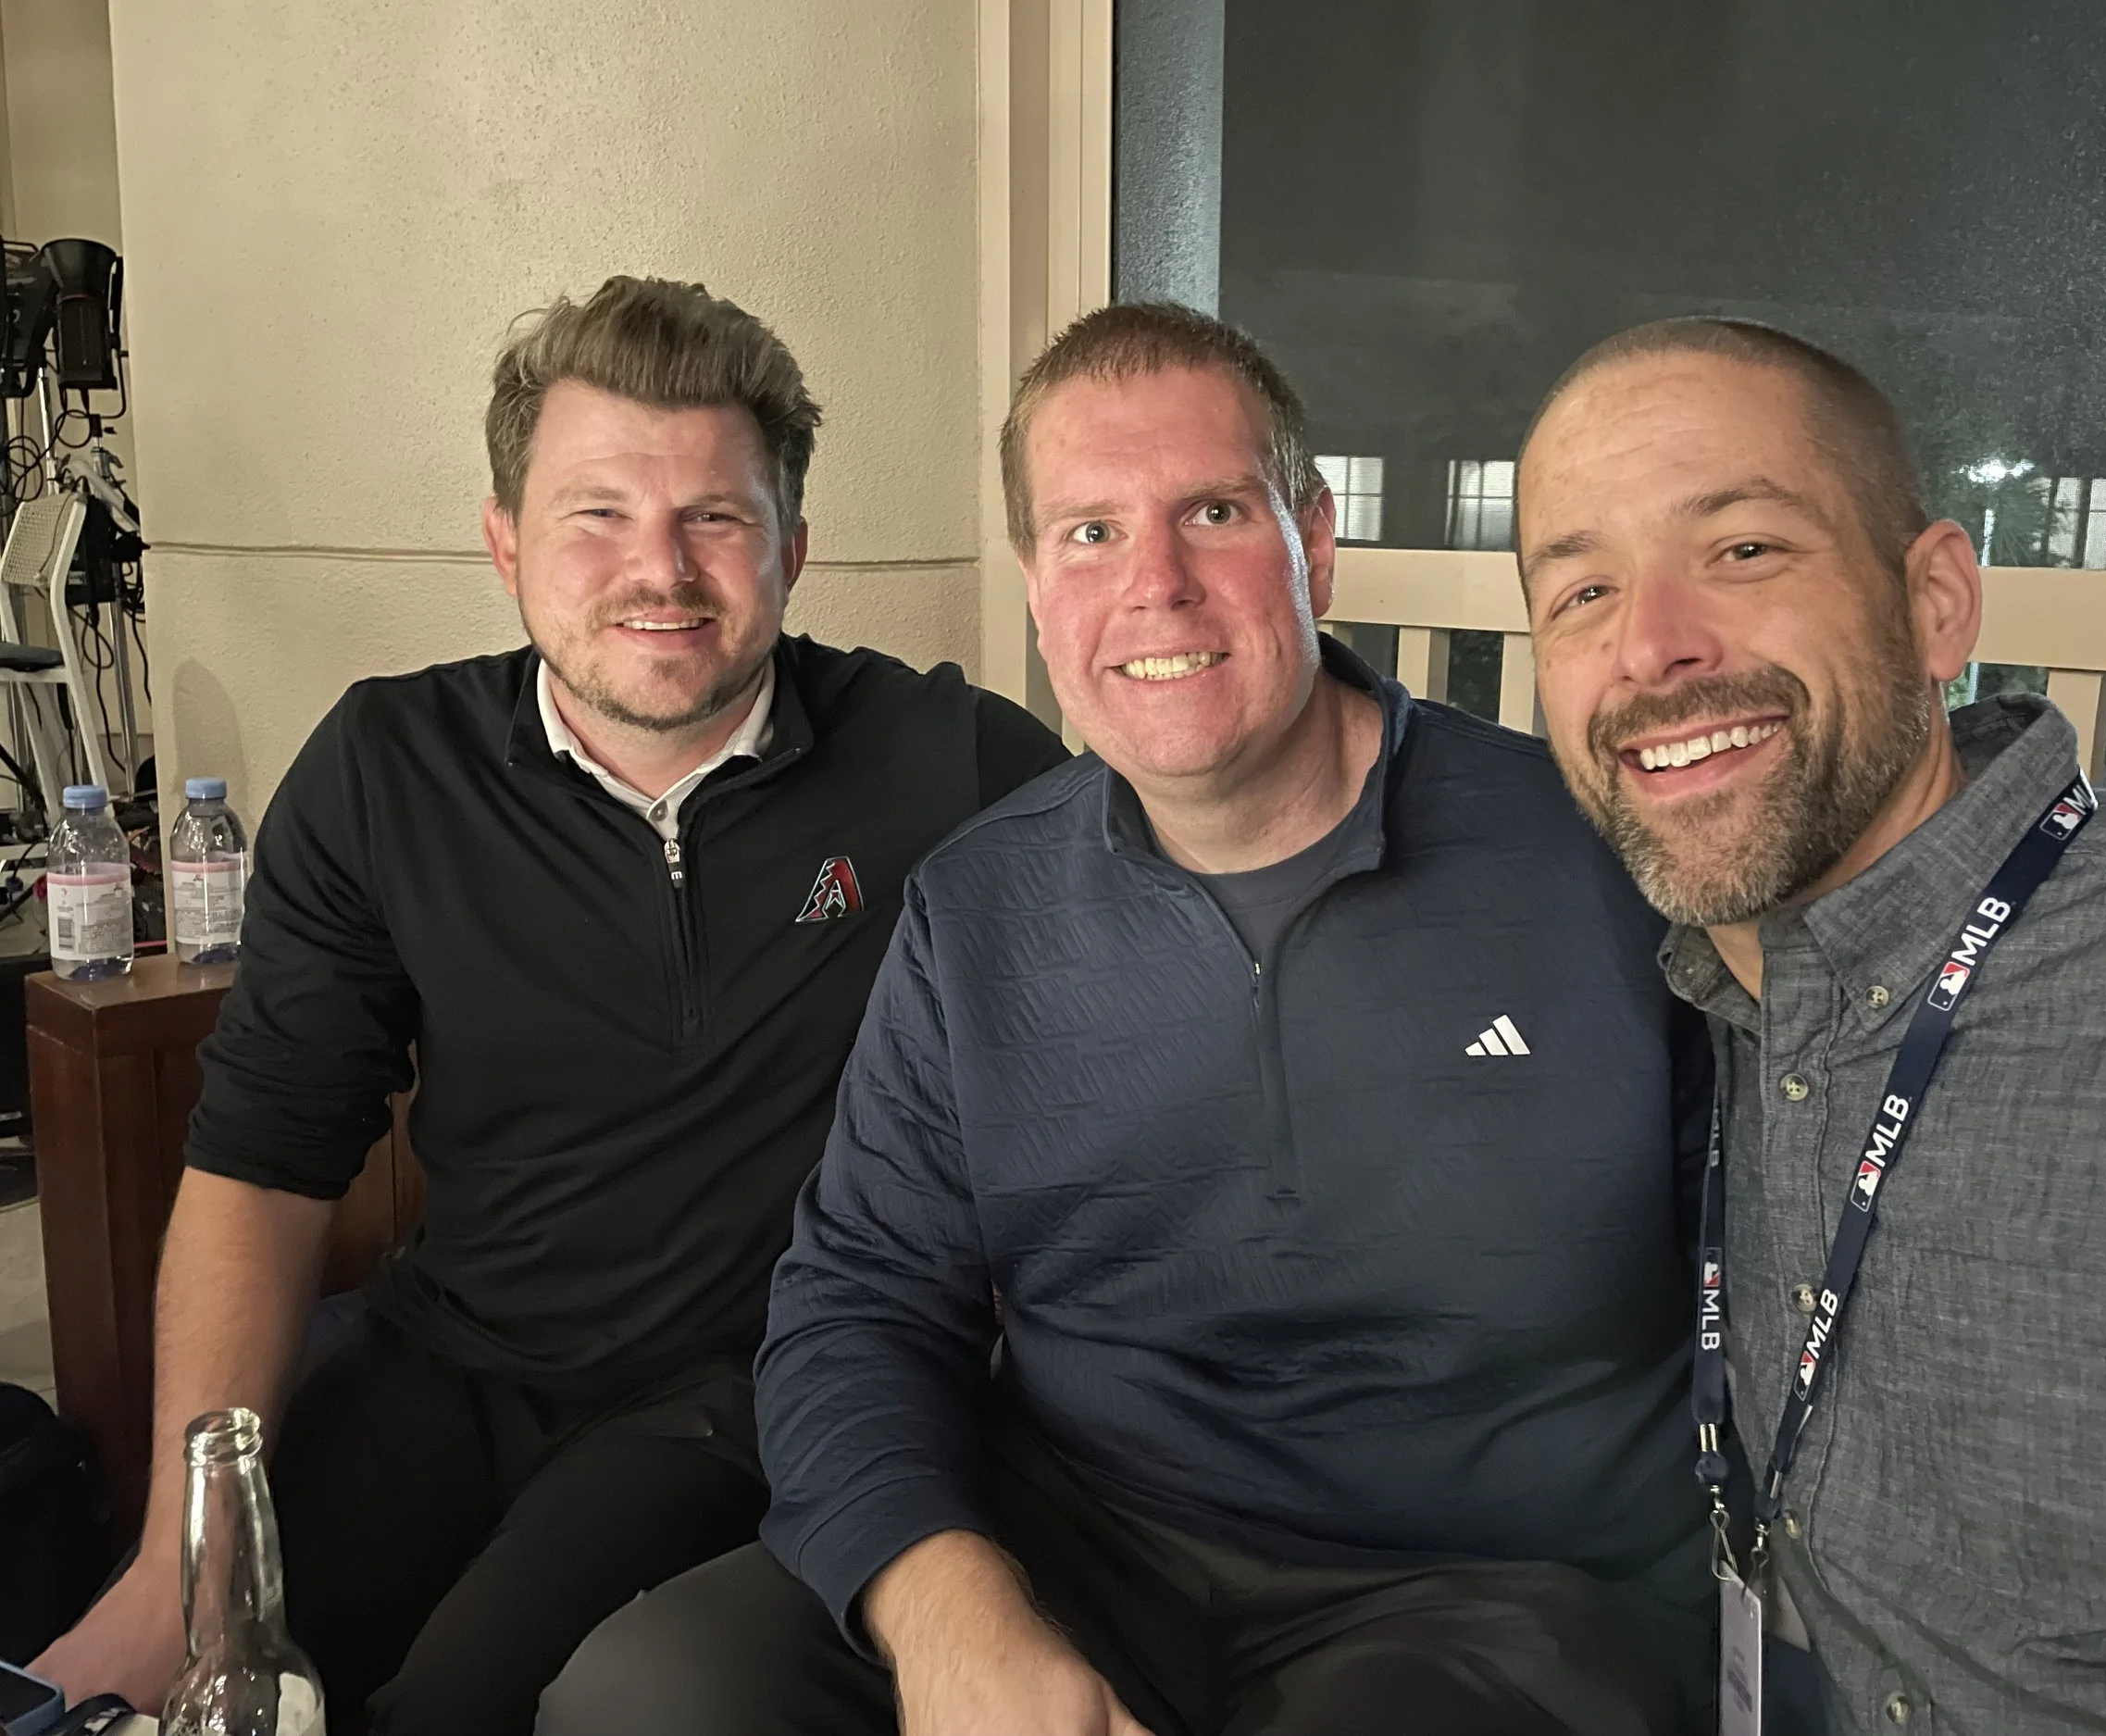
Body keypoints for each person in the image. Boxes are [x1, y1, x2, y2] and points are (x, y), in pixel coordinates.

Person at [540, 302, 1715, 1736]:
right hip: (1084, 1543)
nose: (1154, 583)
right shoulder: (979, 908)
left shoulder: (1606, 858)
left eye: (1211, 511)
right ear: (1038, 586)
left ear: (1315, 541)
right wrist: (947, 1609)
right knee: (646, 1696)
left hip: (1494, 1589)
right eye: (1089, 532)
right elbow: (857, 1303)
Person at [31, 275, 1067, 1734]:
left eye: (715, 515)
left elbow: (1186, 893)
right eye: (596, 514)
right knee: (197, 1656)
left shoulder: (949, 762)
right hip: (449, 1352)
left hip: (748, 1384)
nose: (662, 567)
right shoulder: (390, 765)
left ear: (793, 549)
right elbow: (265, 1164)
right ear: (505, 538)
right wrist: (174, 1554)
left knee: (451, 1702)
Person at [1515, 316, 2106, 1734]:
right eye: (1579, 591)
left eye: (1744, 549)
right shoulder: (1698, 1003)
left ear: (1938, 599)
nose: (1652, 646)